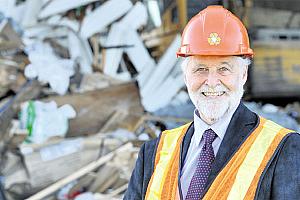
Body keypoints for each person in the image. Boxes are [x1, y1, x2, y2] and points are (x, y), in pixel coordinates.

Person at [124, 5, 300, 200]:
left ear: (243, 75)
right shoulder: (153, 154)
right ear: (185, 76)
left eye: (224, 69)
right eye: (200, 69)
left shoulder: (283, 148)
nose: (212, 81)